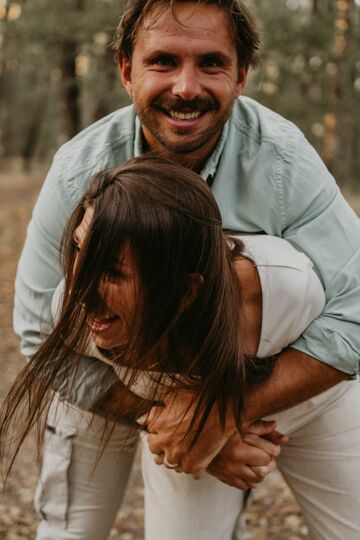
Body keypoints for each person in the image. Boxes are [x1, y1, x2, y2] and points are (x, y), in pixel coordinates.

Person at [12, 0, 360, 538]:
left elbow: (355, 311)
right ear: (127, 70)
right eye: (164, 61)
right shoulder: (79, 170)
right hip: (108, 365)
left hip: (259, 371)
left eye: (212, 64)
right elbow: (39, 332)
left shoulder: (283, 163)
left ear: (242, 74)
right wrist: (166, 419)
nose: (186, 87)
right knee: (69, 531)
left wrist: (221, 411)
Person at [4, 156, 326, 540]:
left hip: (310, 389)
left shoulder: (283, 291)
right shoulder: (70, 312)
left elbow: (344, 340)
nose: (81, 291)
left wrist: (226, 418)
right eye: (78, 251)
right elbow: (45, 350)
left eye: (111, 272)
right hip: (171, 413)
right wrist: (191, 431)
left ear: (187, 290)